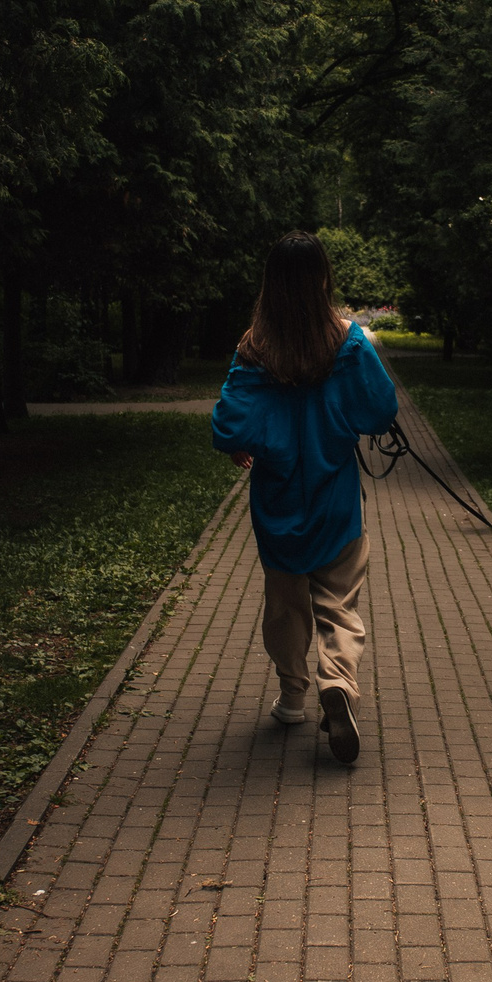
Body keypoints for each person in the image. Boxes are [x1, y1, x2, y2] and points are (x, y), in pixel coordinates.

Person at [210, 231, 400, 763]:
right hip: (335, 492)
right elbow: (380, 409)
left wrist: (245, 444)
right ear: (322, 279)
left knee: (285, 603)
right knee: (339, 601)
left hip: (277, 497)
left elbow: (230, 423)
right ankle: (337, 683)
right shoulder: (349, 340)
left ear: (270, 282)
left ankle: (292, 698)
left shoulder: (254, 347)